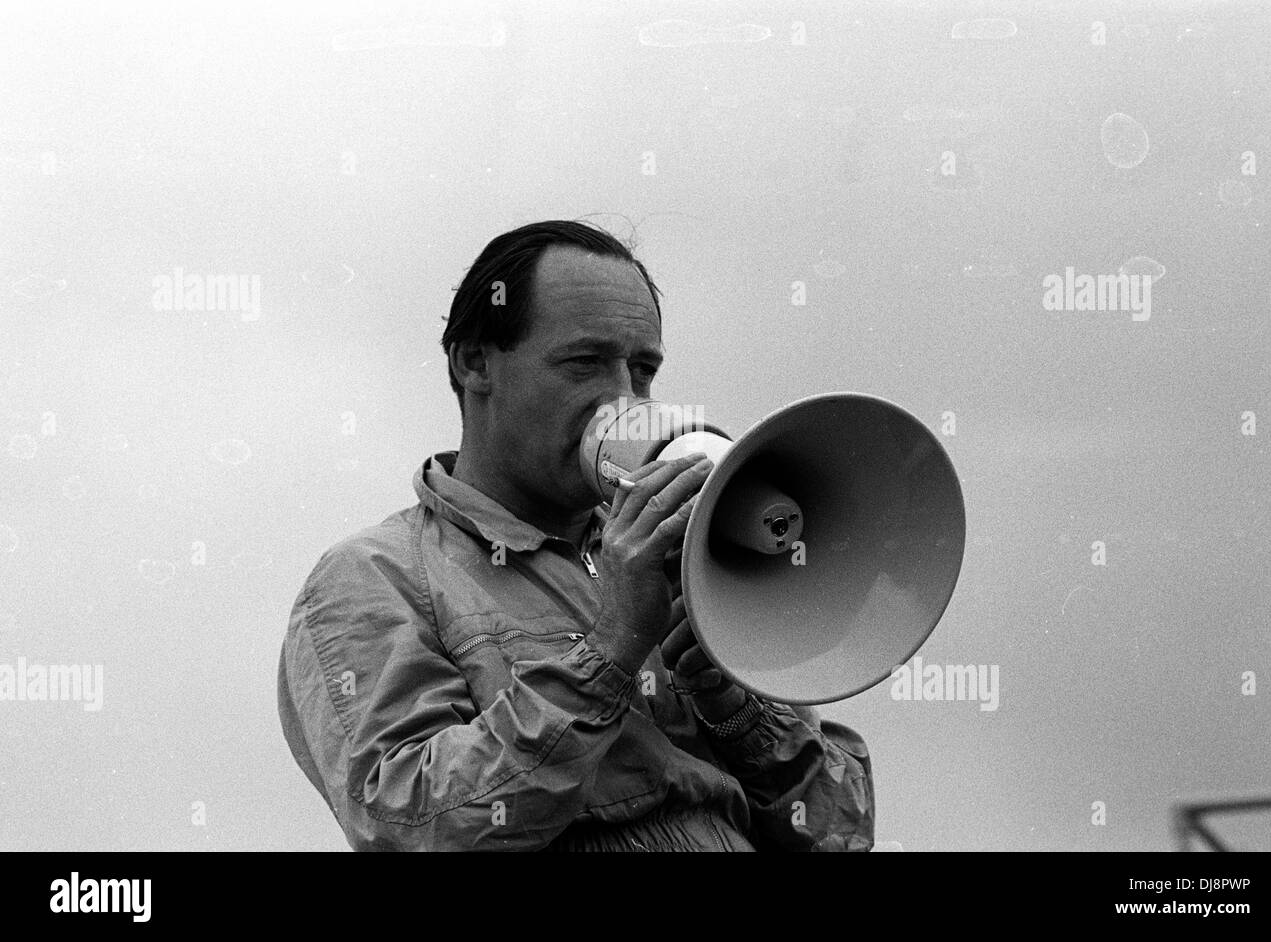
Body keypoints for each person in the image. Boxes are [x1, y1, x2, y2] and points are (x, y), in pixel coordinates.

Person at [276, 220, 875, 851]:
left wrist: (731, 704)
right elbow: (412, 822)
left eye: (642, 370)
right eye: (584, 363)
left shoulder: (690, 562)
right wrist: (612, 647)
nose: (623, 398)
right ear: (475, 361)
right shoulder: (377, 576)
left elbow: (840, 830)